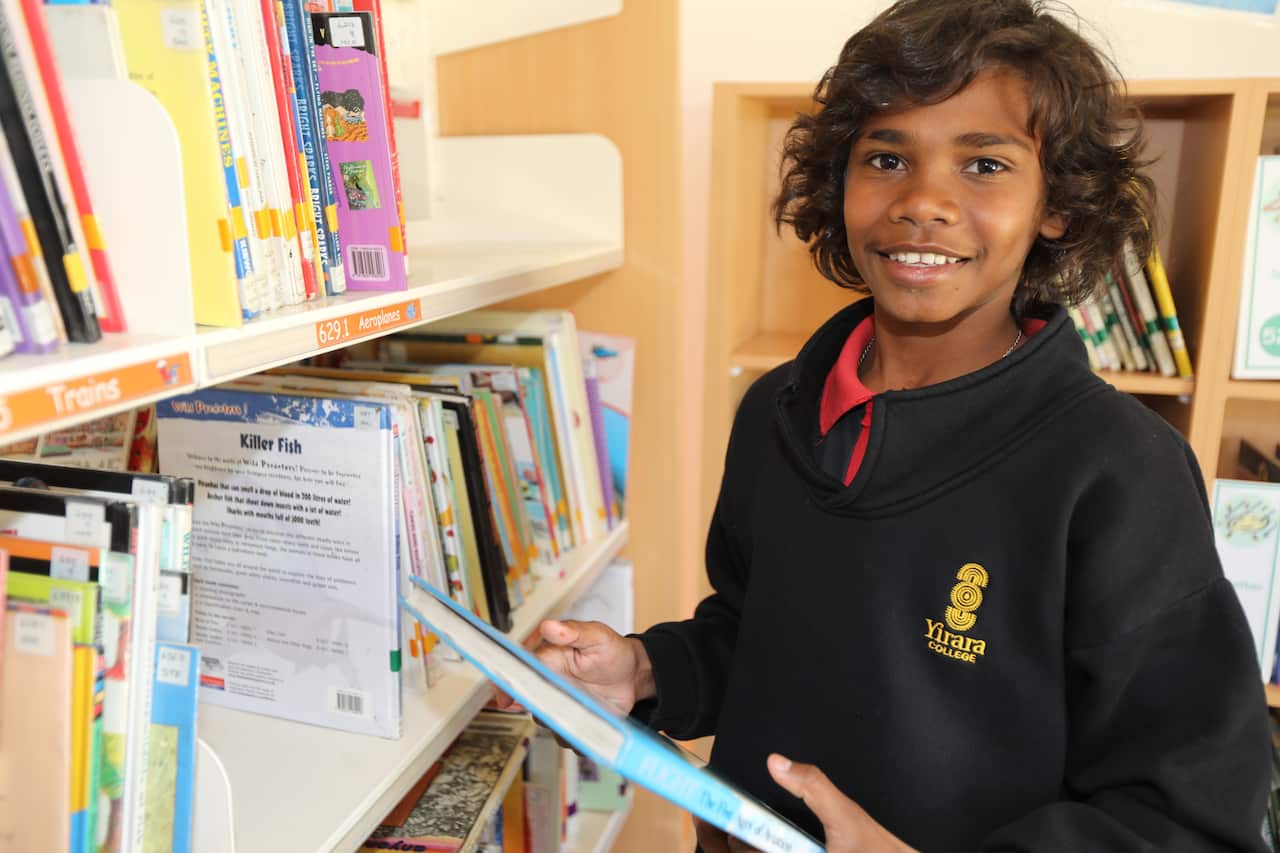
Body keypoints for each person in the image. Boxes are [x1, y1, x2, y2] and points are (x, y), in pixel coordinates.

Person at [504, 0, 1273, 849]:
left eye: (983, 164)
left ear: (1055, 203)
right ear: (841, 184)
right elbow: (755, 631)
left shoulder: (1122, 471)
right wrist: (649, 668)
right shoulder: (776, 411)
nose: (923, 202)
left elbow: (1187, 817)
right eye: (886, 157)